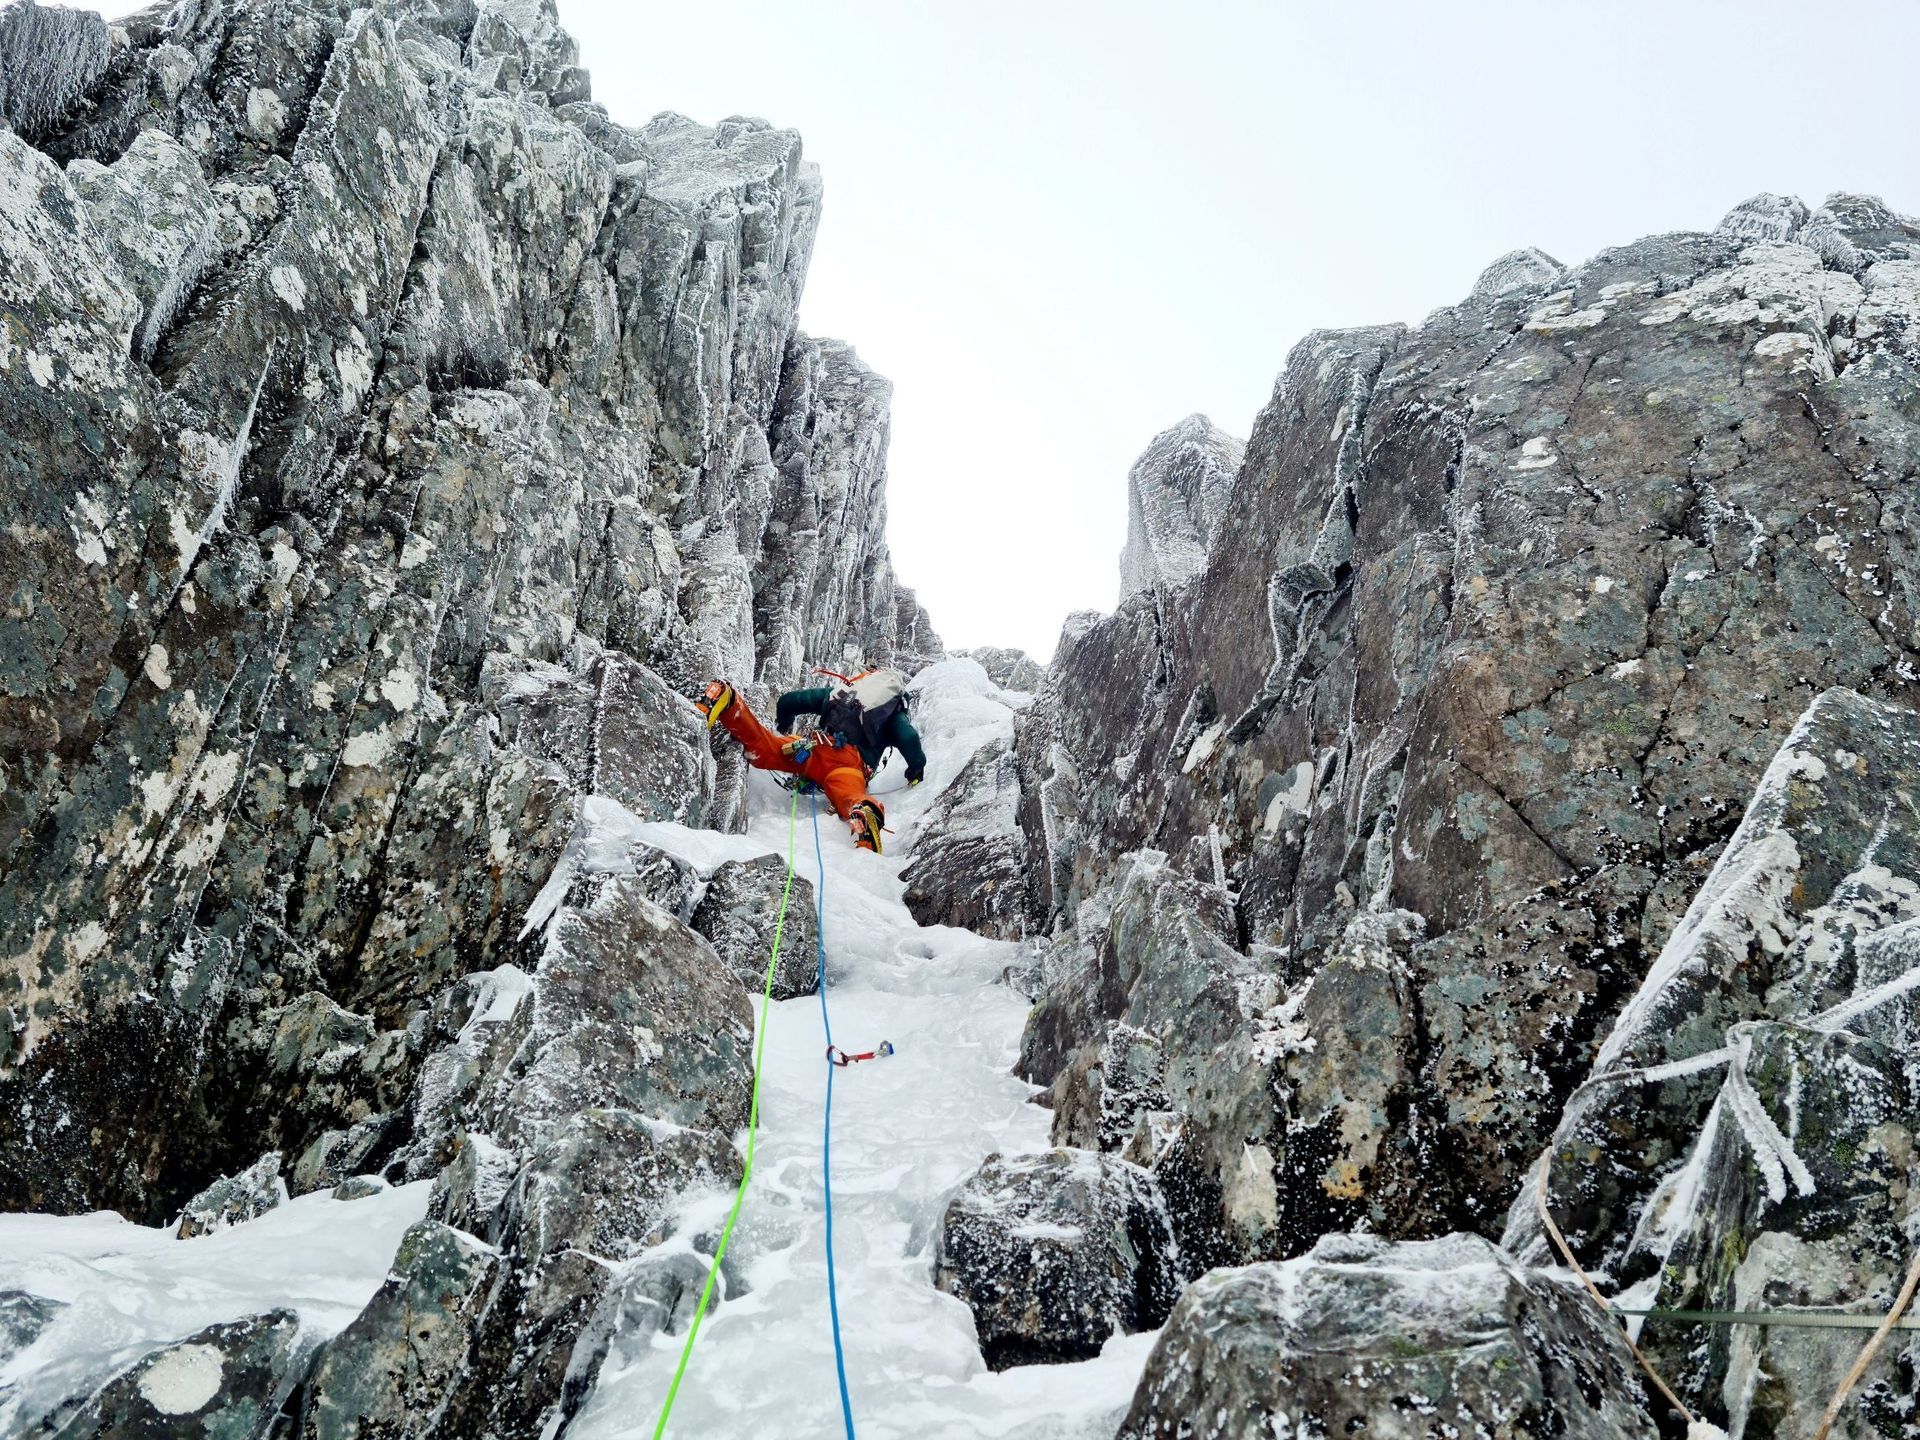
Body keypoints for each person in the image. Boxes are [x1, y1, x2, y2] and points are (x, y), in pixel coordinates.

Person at [700, 667, 926, 853]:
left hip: (813, 748)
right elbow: (908, 737)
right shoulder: (893, 713)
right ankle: (864, 814)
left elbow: (789, 701)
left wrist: (783, 725)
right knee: (849, 797)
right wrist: (915, 771)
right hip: (846, 766)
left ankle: (728, 699)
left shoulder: (843, 693)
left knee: (764, 748)